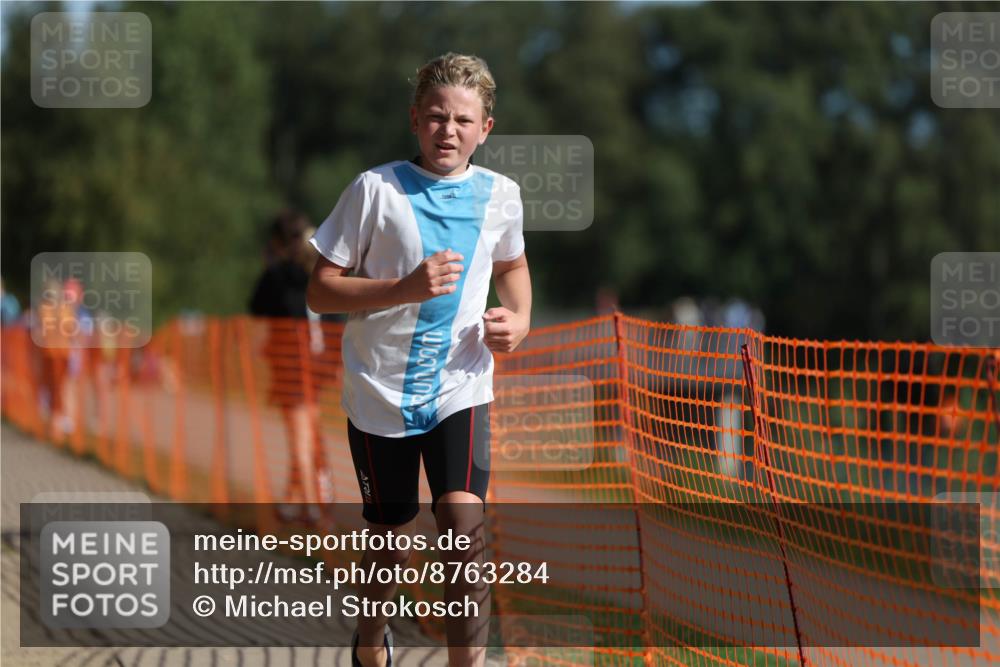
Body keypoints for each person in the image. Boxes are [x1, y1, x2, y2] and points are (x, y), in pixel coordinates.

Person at [306, 53, 531, 667]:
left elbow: (512, 267)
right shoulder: (374, 190)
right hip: (379, 394)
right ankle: (371, 643)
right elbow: (320, 289)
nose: (448, 130)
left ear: (486, 128)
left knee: (463, 534)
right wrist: (403, 288)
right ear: (414, 119)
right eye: (436, 116)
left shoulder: (501, 197)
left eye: (463, 119)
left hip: (461, 384)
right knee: (390, 542)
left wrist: (521, 319)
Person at [250, 210, 333, 522]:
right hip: (316, 361)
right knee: (308, 432)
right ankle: (294, 498)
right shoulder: (317, 271)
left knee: (300, 437)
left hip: (293, 366)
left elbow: (257, 306)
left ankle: (310, 505)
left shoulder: (280, 275)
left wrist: (269, 264)